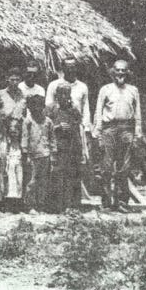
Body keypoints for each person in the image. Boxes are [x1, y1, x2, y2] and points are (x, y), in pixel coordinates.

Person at [92, 60, 143, 213]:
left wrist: (137, 132)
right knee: (106, 167)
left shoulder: (133, 90)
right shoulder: (105, 89)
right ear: (112, 72)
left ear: (127, 72)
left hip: (126, 128)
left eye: (123, 70)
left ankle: (122, 202)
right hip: (109, 129)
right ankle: (107, 202)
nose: (120, 73)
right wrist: (98, 133)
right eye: (118, 70)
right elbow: (98, 111)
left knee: (124, 167)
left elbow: (138, 112)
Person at [0, 67, 26, 211]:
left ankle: (10, 201)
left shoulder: (22, 96)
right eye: (12, 79)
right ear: (7, 79)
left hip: (15, 135)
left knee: (13, 169)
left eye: (17, 79)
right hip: (1, 135)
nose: (15, 82)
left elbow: (23, 116)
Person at [48, 82, 84, 213]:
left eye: (67, 94)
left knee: (71, 175)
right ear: (57, 95)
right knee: (56, 175)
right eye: (61, 93)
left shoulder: (73, 110)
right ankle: (56, 206)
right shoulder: (51, 109)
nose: (64, 96)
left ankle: (71, 205)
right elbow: (45, 126)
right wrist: (57, 127)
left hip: (70, 147)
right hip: (56, 147)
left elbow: (77, 126)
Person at [21, 94, 57, 213]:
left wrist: (53, 154)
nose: (36, 109)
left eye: (39, 106)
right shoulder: (28, 121)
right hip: (32, 156)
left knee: (43, 181)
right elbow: (25, 138)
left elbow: (52, 139)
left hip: (45, 155)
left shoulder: (48, 121)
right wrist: (25, 154)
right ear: (30, 108)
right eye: (33, 107)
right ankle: (30, 205)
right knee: (32, 181)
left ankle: (41, 204)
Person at [45, 58, 91, 134]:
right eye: (67, 67)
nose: (70, 70)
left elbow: (85, 109)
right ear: (63, 68)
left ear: (76, 68)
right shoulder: (53, 85)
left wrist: (86, 128)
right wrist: (56, 125)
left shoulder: (82, 87)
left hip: (76, 128)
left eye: (73, 67)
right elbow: (48, 108)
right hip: (58, 128)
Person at [0, 118, 24, 214]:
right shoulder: (7, 143)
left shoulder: (21, 143)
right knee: (10, 185)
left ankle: (17, 207)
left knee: (19, 183)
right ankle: (8, 207)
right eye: (12, 132)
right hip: (10, 165)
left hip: (19, 164)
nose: (14, 134)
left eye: (16, 132)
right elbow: (4, 155)